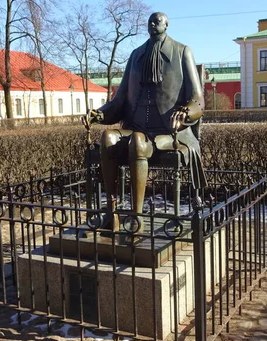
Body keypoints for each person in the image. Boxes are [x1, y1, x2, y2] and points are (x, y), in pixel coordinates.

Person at [85, 12, 206, 232]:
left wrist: (186, 113)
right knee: (108, 137)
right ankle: (111, 213)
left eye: (158, 20)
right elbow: (120, 99)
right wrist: (100, 114)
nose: (153, 23)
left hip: (168, 132)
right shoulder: (136, 55)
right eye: (150, 20)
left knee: (138, 142)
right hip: (135, 127)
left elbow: (198, 99)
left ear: (167, 25)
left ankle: (136, 218)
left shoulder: (181, 52)